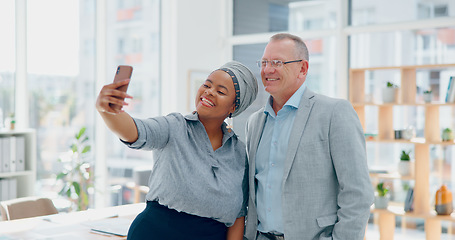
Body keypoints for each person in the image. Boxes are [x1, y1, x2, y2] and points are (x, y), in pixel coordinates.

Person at [95, 61, 258, 240]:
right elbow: (136, 131)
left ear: (233, 107)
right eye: (207, 85)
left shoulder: (239, 152)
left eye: (220, 91)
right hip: (156, 233)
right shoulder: (174, 127)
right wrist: (108, 111)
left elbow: (238, 215)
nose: (209, 92)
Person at [243, 33, 374, 240]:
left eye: (277, 62)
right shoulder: (255, 122)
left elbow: (358, 193)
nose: (267, 70)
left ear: (302, 69)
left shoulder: (334, 113)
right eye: (264, 62)